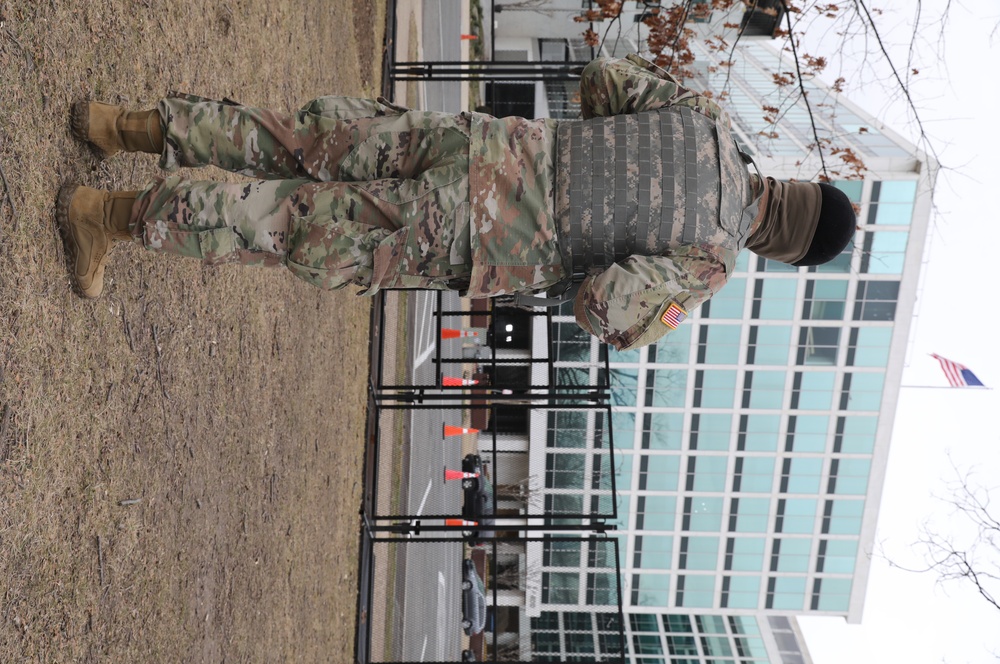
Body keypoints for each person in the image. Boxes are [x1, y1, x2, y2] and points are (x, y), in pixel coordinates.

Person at [57, 54, 856, 351]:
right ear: (785, 249)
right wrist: (639, 331)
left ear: (794, 188)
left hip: (472, 144)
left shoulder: (710, 124)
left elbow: (604, 80)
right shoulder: (709, 261)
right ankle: (108, 216)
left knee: (298, 140)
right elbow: (598, 302)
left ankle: (121, 126)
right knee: (288, 222)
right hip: (465, 233)